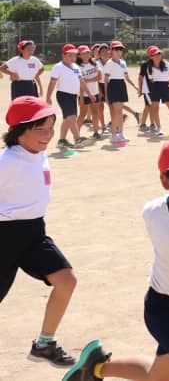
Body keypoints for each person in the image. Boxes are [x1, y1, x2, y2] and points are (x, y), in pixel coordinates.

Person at [63, 135, 169, 381]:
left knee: (157, 378)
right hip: (166, 309)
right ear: (166, 181)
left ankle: (94, 368)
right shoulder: (156, 215)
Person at [1, 97, 77, 367]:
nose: (47, 136)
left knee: (66, 281)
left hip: (34, 232)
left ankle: (44, 344)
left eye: (50, 128)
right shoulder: (6, 162)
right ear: (19, 130)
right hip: (5, 235)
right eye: (40, 130)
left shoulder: (38, 152)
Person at [46, 44, 91, 149]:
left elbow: (81, 81)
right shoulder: (58, 67)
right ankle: (77, 139)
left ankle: (62, 140)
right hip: (63, 95)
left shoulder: (76, 67)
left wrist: (89, 94)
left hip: (73, 96)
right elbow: (52, 82)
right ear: (63, 55)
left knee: (67, 118)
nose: (73, 57)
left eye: (74, 55)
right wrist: (48, 97)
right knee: (71, 117)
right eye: (70, 55)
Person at [75, 45, 103, 140]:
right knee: (82, 114)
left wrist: (87, 80)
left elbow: (99, 77)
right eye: (84, 53)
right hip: (84, 94)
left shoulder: (94, 63)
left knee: (95, 112)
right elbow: (80, 82)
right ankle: (77, 135)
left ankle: (96, 132)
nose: (87, 54)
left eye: (88, 52)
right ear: (79, 55)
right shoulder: (78, 67)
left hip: (94, 92)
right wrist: (81, 97)